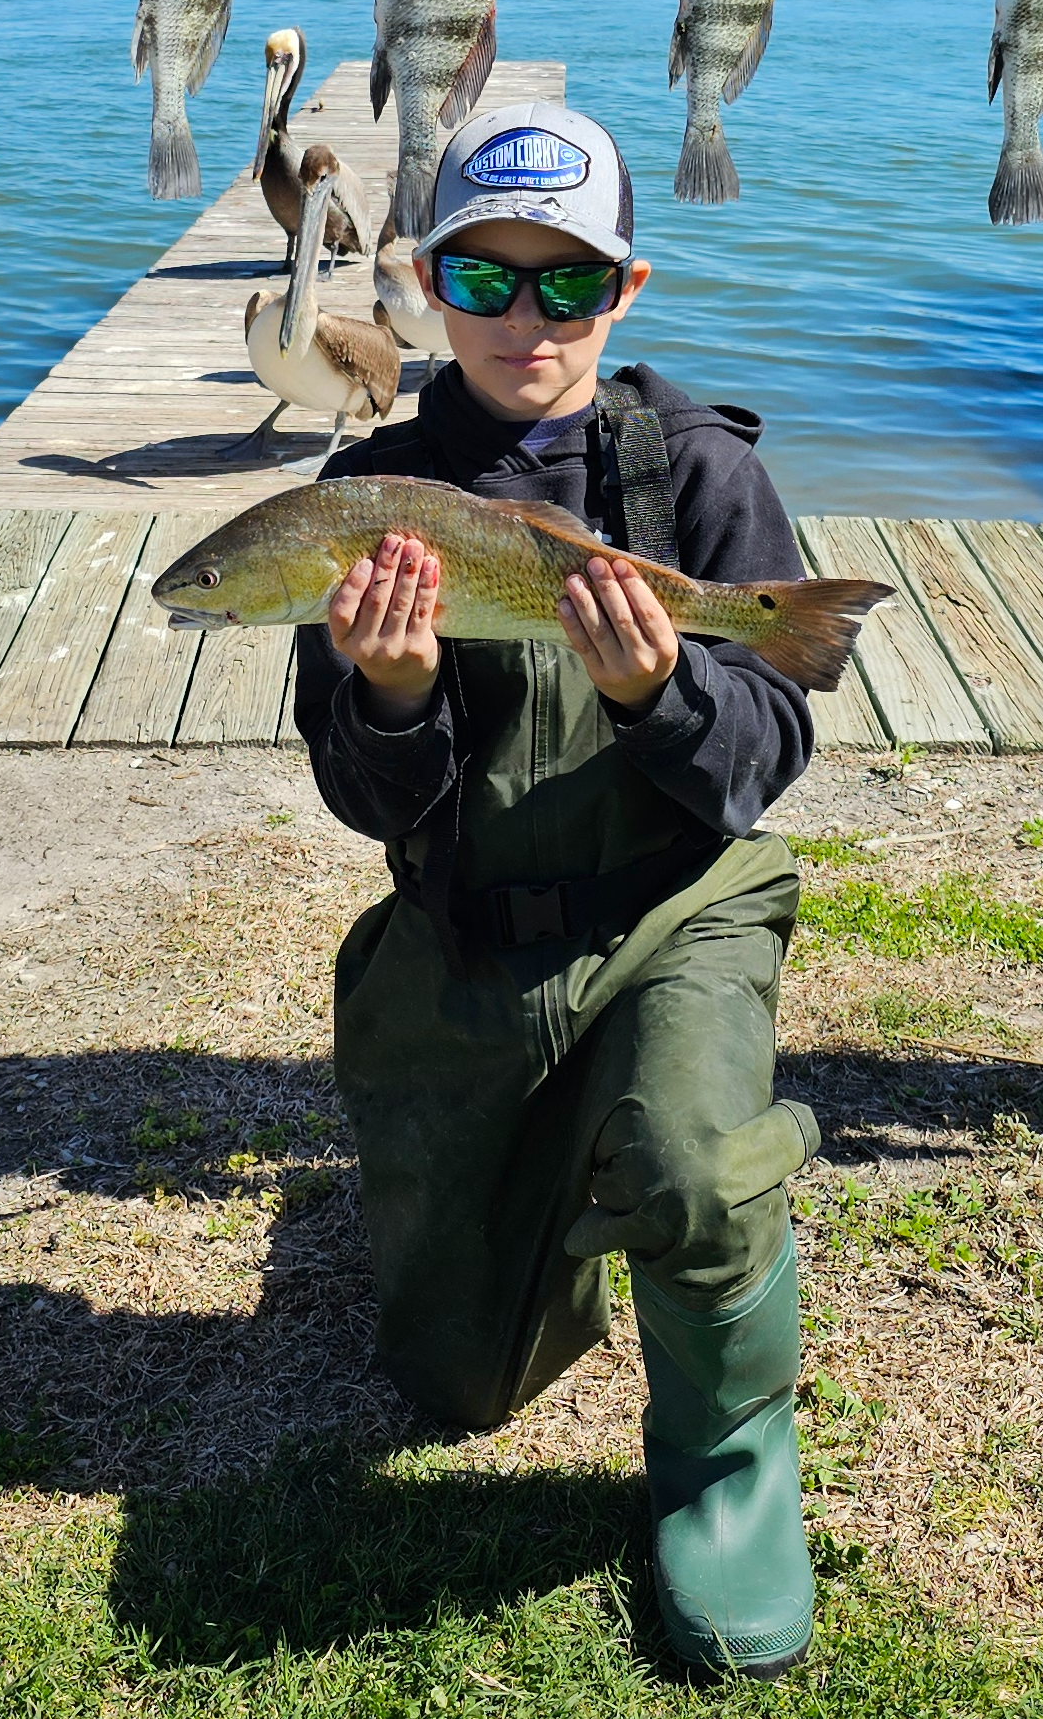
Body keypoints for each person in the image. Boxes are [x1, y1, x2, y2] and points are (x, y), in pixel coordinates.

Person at [293, 101, 822, 1682]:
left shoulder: (700, 474)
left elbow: (754, 765)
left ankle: (730, 1469)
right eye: (490, 279)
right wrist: (388, 698)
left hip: (676, 910)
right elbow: (357, 791)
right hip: (473, 931)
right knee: (456, 1386)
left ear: (626, 291)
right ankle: (551, 1189)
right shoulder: (374, 492)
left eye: (569, 287)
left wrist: (666, 695)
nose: (529, 320)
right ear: (427, 280)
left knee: (702, 1165)